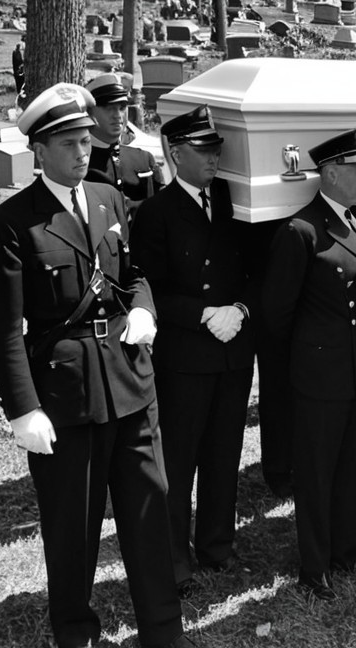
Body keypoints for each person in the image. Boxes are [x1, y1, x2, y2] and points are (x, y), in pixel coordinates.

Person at [0, 84, 191, 648]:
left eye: (84, 140)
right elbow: (1, 327)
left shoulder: (107, 198)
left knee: (150, 508)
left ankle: (163, 629)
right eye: (69, 143)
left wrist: (143, 310)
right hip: (66, 392)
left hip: (130, 379)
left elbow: (134, 274)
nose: (82, 151)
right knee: (74, 523)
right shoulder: (12, 223)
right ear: (40, 150)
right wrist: (22, 407)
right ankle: (75, 629)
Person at [130, 106, 255, 597]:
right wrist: (203, 314)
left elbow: (254, 266)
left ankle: (217, 544)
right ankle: (174, 556)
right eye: (203, 151)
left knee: (224, 451)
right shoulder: (157, 212)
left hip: (233, 349)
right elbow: (149, 286)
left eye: (216, 149)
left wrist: (241, 309)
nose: (213, 159)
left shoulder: (230, 198)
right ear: (176, 154)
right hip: (185, 353)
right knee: (179, 459)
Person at [260, 127, 356, 598]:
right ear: (330, 173)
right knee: (316, 474)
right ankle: (315, 568)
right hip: (321, 376)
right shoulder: (302, 231)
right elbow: (277, 316)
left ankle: (349, 554)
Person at [85, 73, 163, 221]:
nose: (118, 115)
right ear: (89, 113)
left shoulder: (144, 159)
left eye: (122, 107)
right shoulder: (80, 164)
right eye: (109, 108)